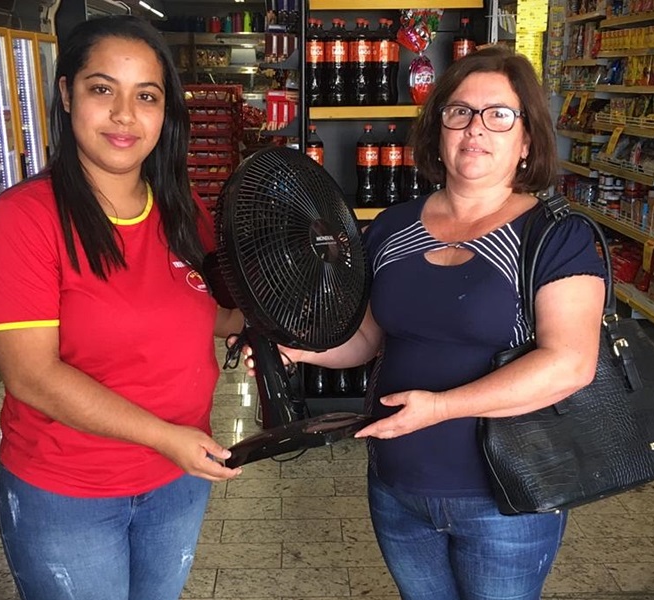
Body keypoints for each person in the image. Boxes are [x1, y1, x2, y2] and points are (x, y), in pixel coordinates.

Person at [245, 46, 605, 599]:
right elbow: (366, 338)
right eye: (459, 112)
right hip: (398, 483)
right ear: (438, 131)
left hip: (506, 494)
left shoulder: (556, 235)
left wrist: (440, 408)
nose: (475, 128)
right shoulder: (392, 226)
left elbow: (570, 364)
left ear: (527, 139)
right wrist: (297, 349)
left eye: (498, 114)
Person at [0, 15, 243, 600]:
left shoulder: (183, 210)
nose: (124, 115)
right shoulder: (24, 220)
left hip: (177, 480)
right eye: (102, 89)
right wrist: (164, 436)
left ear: (165, 112)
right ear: (67, 94)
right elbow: (32, 376)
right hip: (68, 491)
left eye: (146, 96)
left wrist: (267, 324)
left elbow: (210, 314)